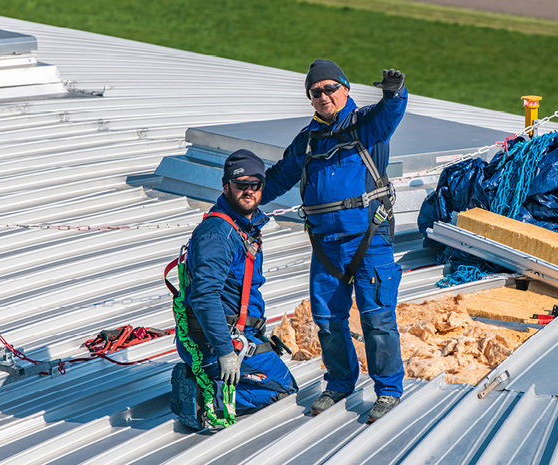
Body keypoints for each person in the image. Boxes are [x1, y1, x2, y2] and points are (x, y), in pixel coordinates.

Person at [260, 59, 407, 423]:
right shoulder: (307, 141)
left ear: (345, 89)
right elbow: (276, 179)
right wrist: (242, 196)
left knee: (377, 319)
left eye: (330, 88)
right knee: (327, 321)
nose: (324, 95)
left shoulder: (367, 125)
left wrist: (394, 92)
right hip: (325, 248)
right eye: (316, 91)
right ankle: (340, 382)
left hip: (369, 240)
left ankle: (387, 391)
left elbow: (391, 112)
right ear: (310, 99)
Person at [169, 149, 297, 429]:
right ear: (226, 186)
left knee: (275, 375)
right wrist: (226, 352)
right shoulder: (219, 235)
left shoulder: (242, 225)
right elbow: (204, 297)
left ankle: (201, 376)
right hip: (216, 344)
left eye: (256, 185)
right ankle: (205, 396)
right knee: (282, 388)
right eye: (241, 185)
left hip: (231, 335)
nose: (249, 191)